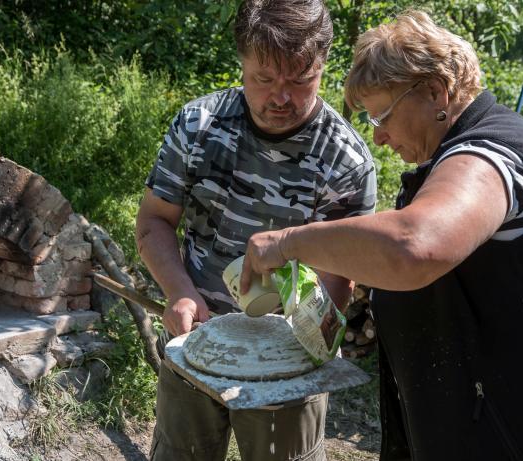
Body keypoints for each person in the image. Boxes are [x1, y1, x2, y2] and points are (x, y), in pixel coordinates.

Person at [240, 10, 523, 461]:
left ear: (436, 91)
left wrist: (286, 243)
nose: (378, 137)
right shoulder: (449, 160)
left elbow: (413, 246)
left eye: (381, 114)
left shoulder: (489, 154)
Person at [135, 0, 377, 458]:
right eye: (264, 79)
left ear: (324, 67)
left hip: (291, 364)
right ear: (242, 64)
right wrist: (178, 292)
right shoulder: (199, 126)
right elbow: (153, 221)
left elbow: (340, 276)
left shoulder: (345, 158)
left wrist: (307, 344)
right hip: (195, 344)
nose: (280, 98)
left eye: (300, 81)